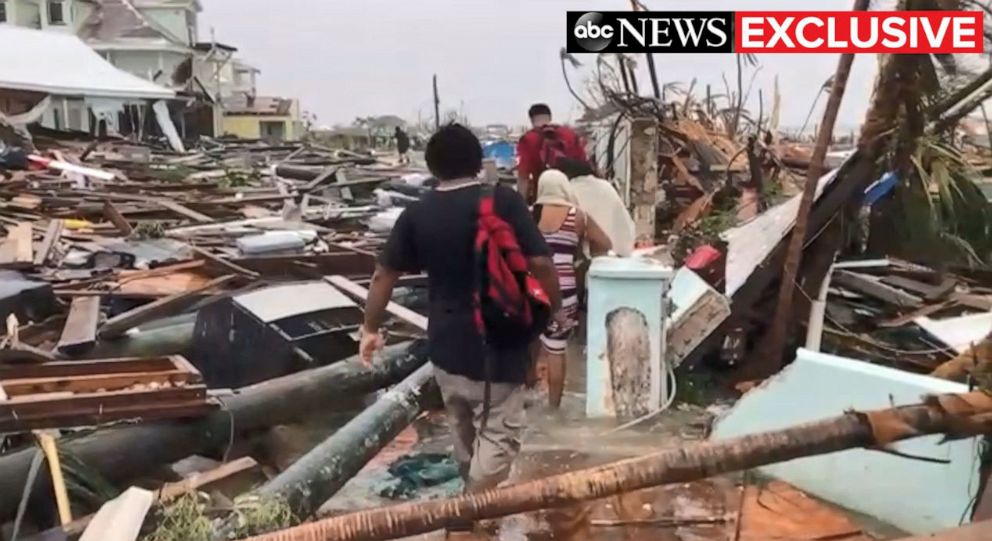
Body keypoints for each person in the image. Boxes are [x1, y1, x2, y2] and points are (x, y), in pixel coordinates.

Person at [360, 124, 561, 501]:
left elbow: (383, 274)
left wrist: (370, 328)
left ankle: (470, 507)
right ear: (477, 163)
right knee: (499, 437)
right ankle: (468, 511)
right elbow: (541, 263)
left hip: (446, 347)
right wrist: (556, 313)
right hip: (500, 342)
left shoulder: (417, 215)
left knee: (463, 430)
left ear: (432, 165)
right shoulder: (504, 202)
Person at [532, 169, 611, 409]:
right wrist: (586, 258)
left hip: (532, 286)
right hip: (563, 288)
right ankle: (553, 408)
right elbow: (605, 244)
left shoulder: (529, 215)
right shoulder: (578, 216)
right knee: (557, 348)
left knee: (529, 341)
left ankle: (527, 391)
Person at [555, 157, 636, 257]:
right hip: (619, 257)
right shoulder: (606, 187)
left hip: (586, 260)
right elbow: (627, 227)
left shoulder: (568, 191)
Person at [516, 103, 587, 205]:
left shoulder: (528, 139)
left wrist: (520, 205)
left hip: (544, 199)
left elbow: (523, 177)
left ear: (531, 120)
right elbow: (584, 167)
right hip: (572, 197)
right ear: (550, 117)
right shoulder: (569, 134)